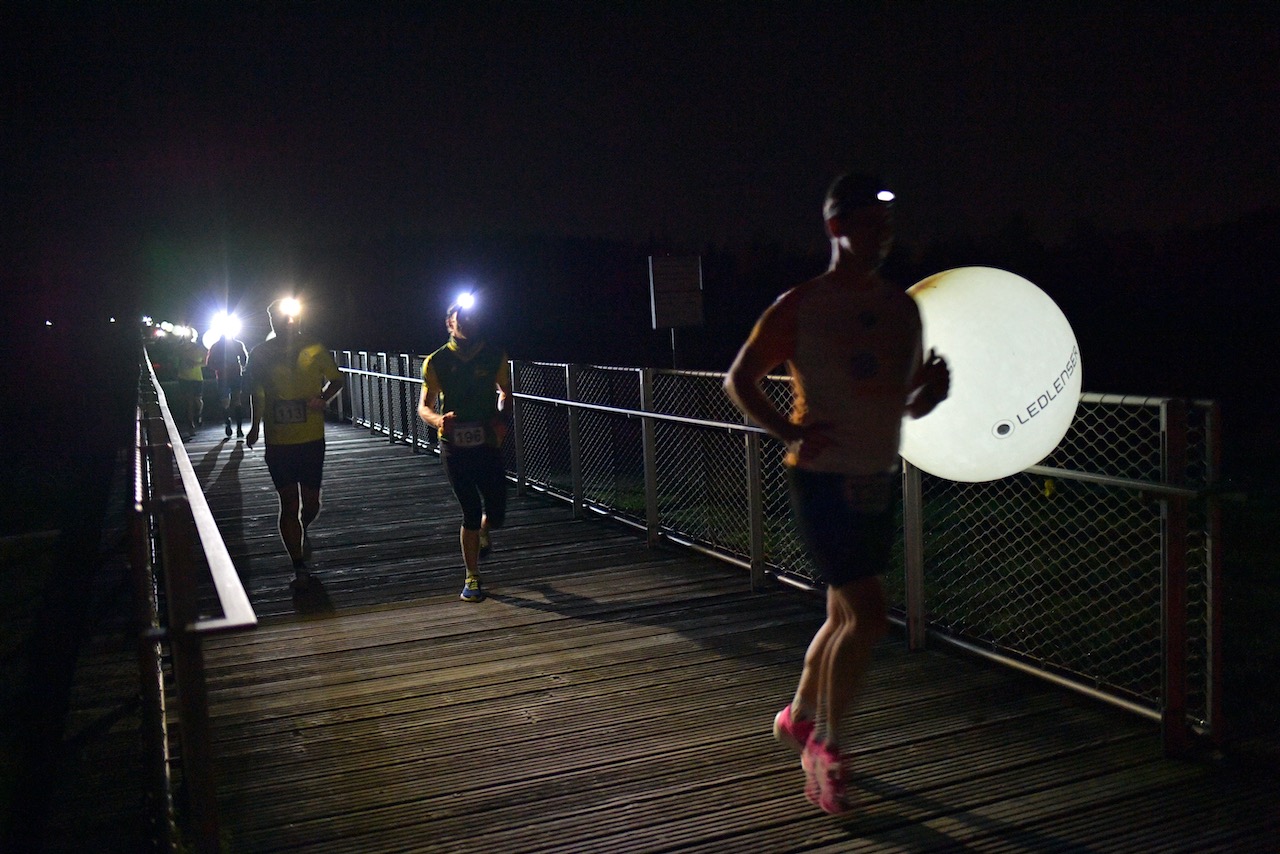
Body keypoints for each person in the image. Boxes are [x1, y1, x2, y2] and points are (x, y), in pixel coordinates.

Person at [723, 173, 951, 814]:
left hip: (874, 479)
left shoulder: (904, 309)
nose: (881, 233)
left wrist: (925, 397)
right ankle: (825, 747)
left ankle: (798, 716)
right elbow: (740, 379)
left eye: (887, 222)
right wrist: (785, 427)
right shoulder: (802, 304)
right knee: (870, 614)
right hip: (819, 479)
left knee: (843, 615)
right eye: (866, 220)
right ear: (834, 227)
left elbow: (895, 400)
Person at [245, 298, 345, 586]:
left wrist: (322, 398)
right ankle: (298, 562)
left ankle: (304, 526)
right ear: (271, 320)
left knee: (311, 503)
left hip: (311, 438)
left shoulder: (314, 347)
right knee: (288, 502)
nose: (288, 322)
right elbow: (258, 392)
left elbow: (336, 380)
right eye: (281, 318)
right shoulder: (260, 353)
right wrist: (254, 428)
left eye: (293, 318)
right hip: (278, 440)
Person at [418, 296, 512, 603]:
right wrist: (439, 420)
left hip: (486, 442)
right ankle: (472, 577)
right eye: (462, 320)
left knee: (496, 511)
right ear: (450, 323)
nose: (468, 324)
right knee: (470, 509)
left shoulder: (495, 355)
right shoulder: (437, 361)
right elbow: (424, 407)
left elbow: (504, 392)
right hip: (454, 445)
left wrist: (501, 413)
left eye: (473, 319)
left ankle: (486, 529)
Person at [206, 330, 249, 439]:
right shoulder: (237, 344)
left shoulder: (216, 346)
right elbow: (244, 358)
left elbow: (209, 362)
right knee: (237, 400)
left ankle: (228, 422)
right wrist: (242, 367)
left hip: (222, 376)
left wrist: (218, 368)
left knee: (225, 401)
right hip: (235, 374)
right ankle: (239, 429)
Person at [175, 327, 207, 440]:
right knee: (188, 402)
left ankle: (198, 414)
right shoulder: (180, 348)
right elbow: (175, 361)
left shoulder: (200, 348)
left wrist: (195, 364)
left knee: (197, 401)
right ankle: (191, 426)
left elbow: (205, 362)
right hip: (183, 377)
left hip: (197, 378)